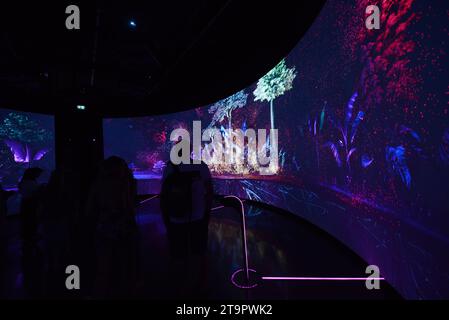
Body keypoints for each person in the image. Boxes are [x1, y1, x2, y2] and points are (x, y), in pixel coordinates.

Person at [160, 152, 213, 297]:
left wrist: (165, 217)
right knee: (199, 253)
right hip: (198, 217)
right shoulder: (201, 166)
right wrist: (207, 213)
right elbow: (209, 191)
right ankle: (199, 287)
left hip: (176, 218)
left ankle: (179, 288)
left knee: (178, 254)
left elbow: (164, 195)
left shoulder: (170, 168)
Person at [86, 156, 138, 298]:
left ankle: (102, 292)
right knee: (126, 264)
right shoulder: (127, 183)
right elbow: (130, 207)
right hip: (124, 227)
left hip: (104, 227)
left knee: (104, 266)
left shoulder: (98, 184)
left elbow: (90, 208)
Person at [18, 167, 44, 255]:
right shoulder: (32, 183)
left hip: (25, 203)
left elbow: (21, 191)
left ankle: (27, 237)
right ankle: (32, 236)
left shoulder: (23, 181)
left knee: (26, 220)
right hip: (31, 204)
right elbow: (35, 194)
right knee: (32, 219)